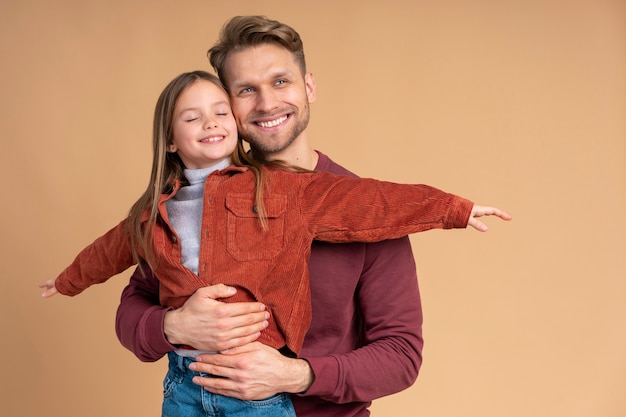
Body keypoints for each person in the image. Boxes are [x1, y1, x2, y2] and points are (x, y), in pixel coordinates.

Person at [113, 16, 512, 417]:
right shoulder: (197, 199)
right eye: (247, 90)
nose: (267, 103)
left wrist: (295, 375)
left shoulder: (366, 207)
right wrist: (174, 327)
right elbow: (134, 307)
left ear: (309, 87)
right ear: (227, 107)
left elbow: (401, 355)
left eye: (281, 81)